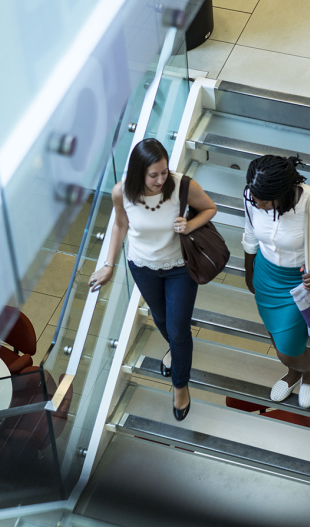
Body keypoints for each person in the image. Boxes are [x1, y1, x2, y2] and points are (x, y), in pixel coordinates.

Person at [89, 138, 217, 421]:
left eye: (164, 171)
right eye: (154, 175)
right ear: (139, 172)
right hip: (142, 266)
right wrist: (109, 264)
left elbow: (210, 208)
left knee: (178, 328)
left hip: (179, 268)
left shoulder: (182, 185)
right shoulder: (122, 193)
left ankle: (180, 385)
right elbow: (120, 225)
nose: (161, 179)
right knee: (161, 318)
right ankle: (174, 349)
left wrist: (190, 224)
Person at [242, 155, 310, 409]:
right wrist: (249, 271)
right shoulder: (253, 195)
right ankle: (293, 373)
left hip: (298, 283)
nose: (256, 205)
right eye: (254, 200)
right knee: (273, 331)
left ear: (281, 194)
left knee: (287, 349)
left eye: (264, 203)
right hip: (265, 273)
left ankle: (309, 369)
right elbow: (250, 232)